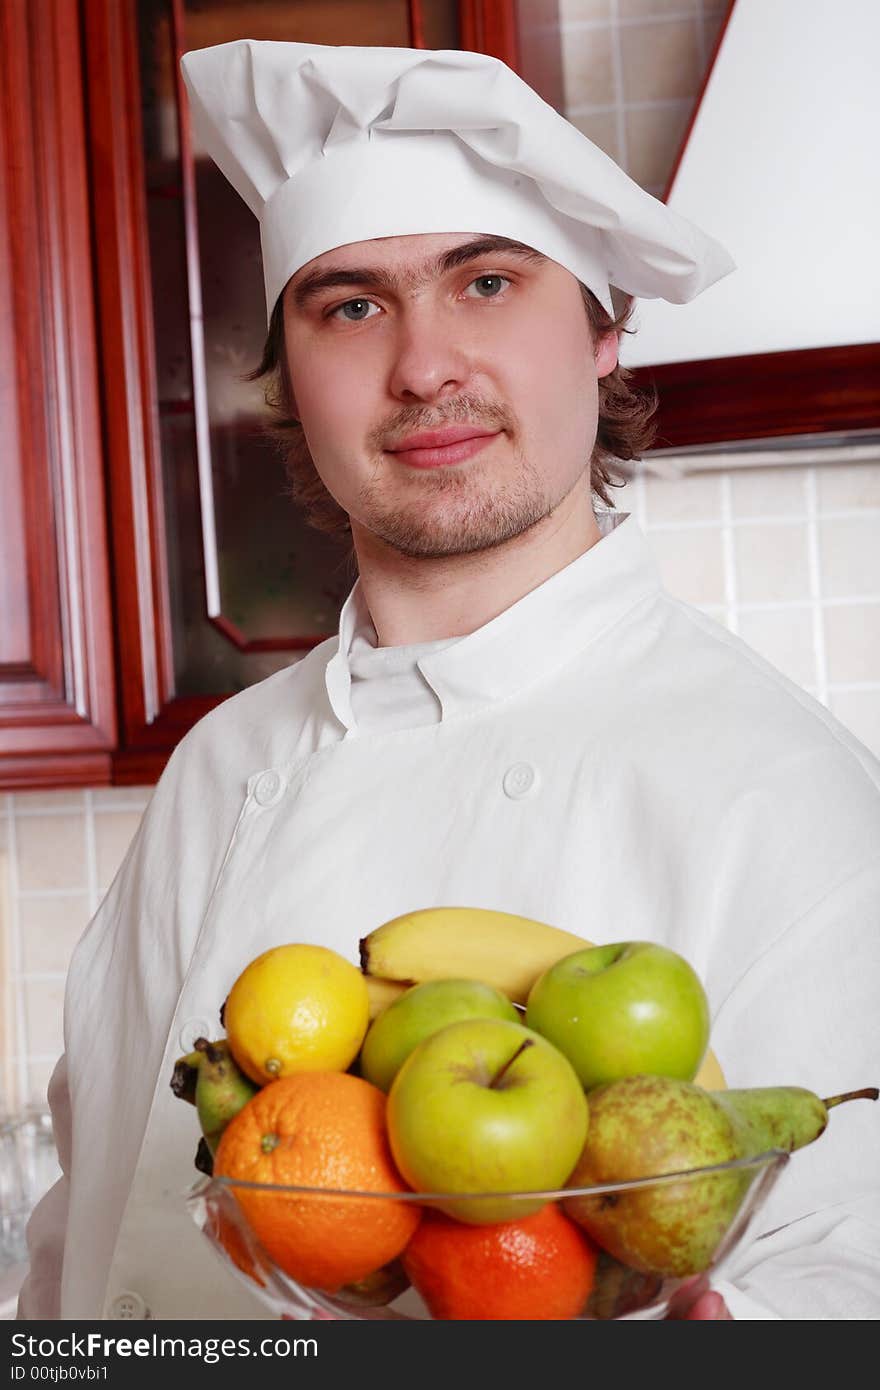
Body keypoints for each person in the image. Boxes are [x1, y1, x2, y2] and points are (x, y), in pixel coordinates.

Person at [19, 40, 879, 1322]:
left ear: (601, 331)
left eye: (484, 282)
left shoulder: (775, 787)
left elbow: (846, 1263)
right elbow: (83, 1216)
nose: (423, 368)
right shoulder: (222, 762)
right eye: (350, 305)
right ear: (287, 375)